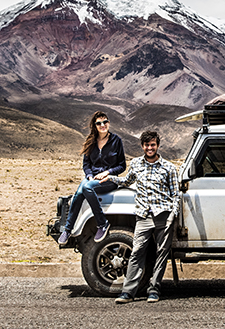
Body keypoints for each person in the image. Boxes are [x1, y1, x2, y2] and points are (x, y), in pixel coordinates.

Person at [112, 130, 179, 304]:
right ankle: (128, 292)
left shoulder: (169, 167)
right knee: (137, 252)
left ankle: (154, 289)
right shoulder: (136, 164)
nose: (150, 148)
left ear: (158, 145)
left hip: (164, 215)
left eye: (153, 145)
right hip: (143, 216)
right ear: (142, 146)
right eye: (147, 145)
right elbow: (126, 181)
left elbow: (176, 194)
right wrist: (109, 178)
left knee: (161, 253)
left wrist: (173, 214)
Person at [58, 111, 126, 245]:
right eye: (99, 123)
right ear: (95, 126)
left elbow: (122, 166)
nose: (102, 125)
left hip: (109, 180)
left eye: (105, 122)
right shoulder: (91, 141)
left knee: (86, 188)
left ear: (109, 123)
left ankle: (102, 223)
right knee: (79, 193)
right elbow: (86, 164)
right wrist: (89, 176)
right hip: (92, 178)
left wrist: (108, 172)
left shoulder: (116, 141)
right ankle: (68, 229)